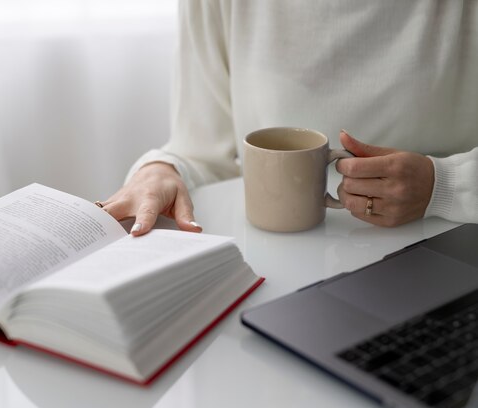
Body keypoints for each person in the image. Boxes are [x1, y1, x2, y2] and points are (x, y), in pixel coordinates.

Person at [101, 1, 478, 236]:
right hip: (272, 271)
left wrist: (443, 185)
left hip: (448, 251)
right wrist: (160, 169)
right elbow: (200, 151)